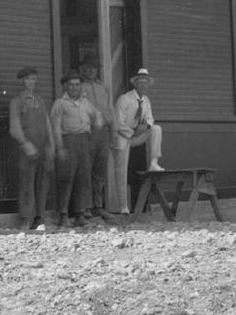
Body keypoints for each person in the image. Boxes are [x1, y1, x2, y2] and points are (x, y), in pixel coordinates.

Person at [50, 70, 105, 228]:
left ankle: (80, 214)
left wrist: (93, 140)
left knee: (83, 179)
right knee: (66, 179)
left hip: (84, 142)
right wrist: (60, 147)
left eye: (77, 85)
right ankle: (63, 215)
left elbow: (98, 118)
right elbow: (55, 127)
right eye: (71, 85)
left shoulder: (86, 103)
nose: (74, 88)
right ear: (66, 86)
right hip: (68, 142)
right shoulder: (60, 103)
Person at [112, 68, 164, 212]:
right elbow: (117, 123)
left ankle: (154, 162)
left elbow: (150, 119)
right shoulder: (125, 99)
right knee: (121, 172)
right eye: (140, 83)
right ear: (135, 84)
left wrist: (145, 126)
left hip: (136, 136)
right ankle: (123, 206)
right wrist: (132, 132)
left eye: (145, 83)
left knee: (156, 129)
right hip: (123, 137)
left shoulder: (146, 100)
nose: (143, 86)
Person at [8, 67, 54, 230]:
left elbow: (47, 124)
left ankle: (39, 218)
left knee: (42, 183)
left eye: (33, 79)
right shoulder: (17, 101)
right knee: (27, 183)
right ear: (22, 81)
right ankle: (26, 218)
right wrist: (26, 145)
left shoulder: (40, 100)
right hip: (27, 149)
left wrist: (50, 145)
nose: (31, 82)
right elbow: (15, 127)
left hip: (42, 146)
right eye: (28, 79)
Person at [77, 60, 116, 217]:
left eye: (93, 67)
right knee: (86, 168)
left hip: (103, 132)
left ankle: (98, 206)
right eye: (88, 67)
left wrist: (113, 132)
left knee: (100, 169)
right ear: (83, 69)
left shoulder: (103, 87)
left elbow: (110, 109)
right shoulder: (79, 86)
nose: (91, 70)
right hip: (89, 131)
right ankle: (86, 207)